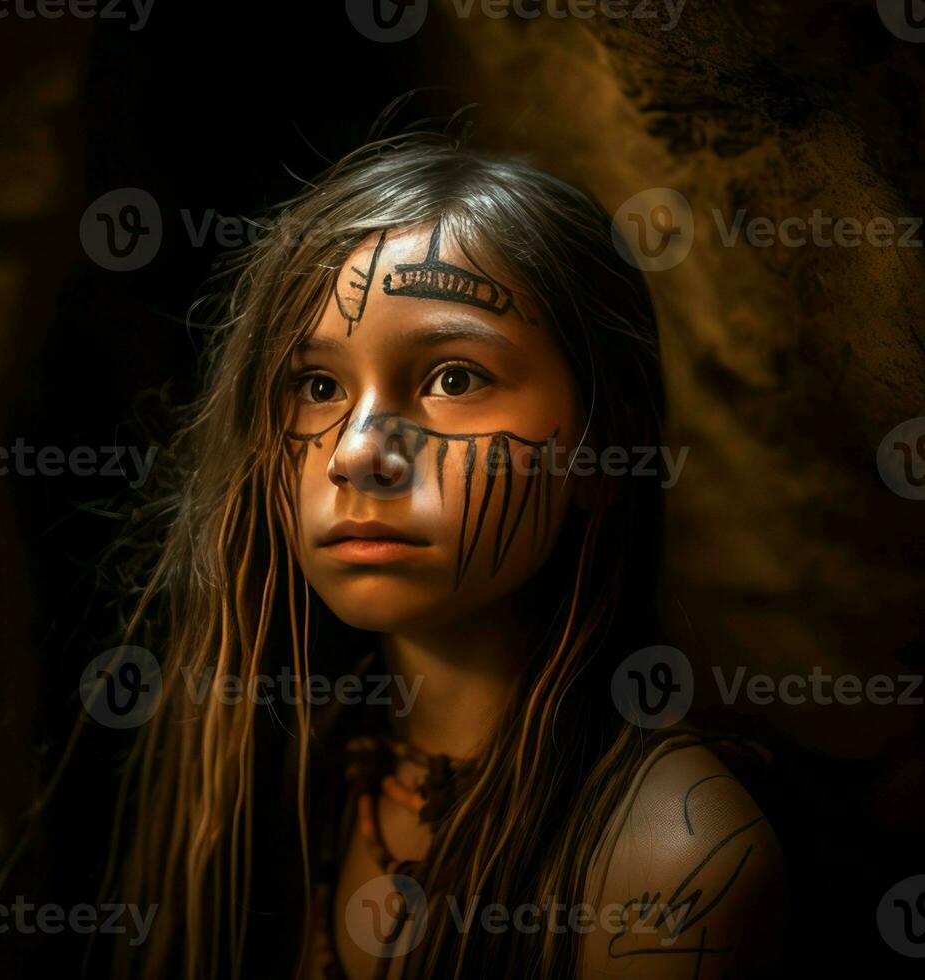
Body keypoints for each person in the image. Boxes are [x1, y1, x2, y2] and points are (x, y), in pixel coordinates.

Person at [87, 130, 788, 979]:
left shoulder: (673, 861)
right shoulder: (270, 787)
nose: (356, 452)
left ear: (610, 449)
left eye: (453, 378)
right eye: (317, 387)